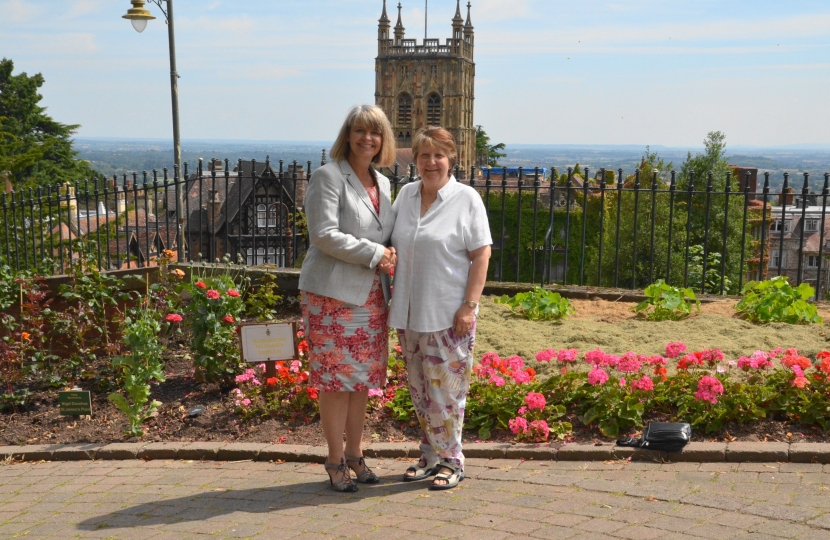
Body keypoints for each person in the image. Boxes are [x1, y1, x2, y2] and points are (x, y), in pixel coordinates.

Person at [299, 105, 397, 492]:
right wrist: (377, 253)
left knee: (361, 381)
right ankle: (334, 460)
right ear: (348, 135)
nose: (367, 139)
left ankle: (355, 455)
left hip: (372, 296)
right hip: (332, 297)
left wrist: (391, 253)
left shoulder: (383, 183)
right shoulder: (327, 176)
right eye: (359, 131)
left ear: (383, 140)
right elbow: (323, 234)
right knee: (336, 381)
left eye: (375, 132)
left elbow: (386, 234)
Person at [388, 127, 492, 490]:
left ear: (452, 159)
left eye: (439, 155)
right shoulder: (406, 194)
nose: (431, 162)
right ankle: (430, 455)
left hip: (449, 315)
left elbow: (481, 255)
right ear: (415, 159)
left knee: (447, 393)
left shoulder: (466, 199)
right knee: (419, 390)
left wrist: (469, 306)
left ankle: (452, 460)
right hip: (409, 312)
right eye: (424, 155)